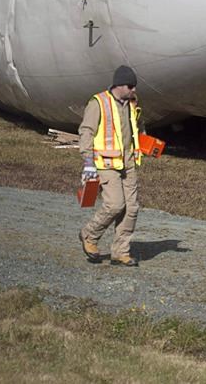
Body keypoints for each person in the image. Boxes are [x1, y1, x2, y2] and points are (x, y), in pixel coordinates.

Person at [78, 65, 146, 267]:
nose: (134, 90)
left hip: (128, 163)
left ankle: (120, 252)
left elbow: (138, 127)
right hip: (106, 163)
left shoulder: (132, 103)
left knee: (131, 208)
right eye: (131, 86)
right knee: (115, 205)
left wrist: (145, 142)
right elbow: (86, 132)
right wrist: (88, 163)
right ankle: (89, 235)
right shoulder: (98, 103)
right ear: (119, 85)